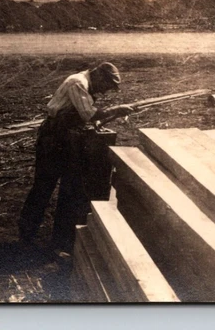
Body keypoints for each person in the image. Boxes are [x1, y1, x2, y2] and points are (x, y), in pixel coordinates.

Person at [18, 62, 135, 252]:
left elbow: (84, 115)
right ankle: (26, 236)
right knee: (43, 186)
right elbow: (88, 113)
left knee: (68, 186)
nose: (104, 92)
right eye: (106, 86)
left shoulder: (85, 84)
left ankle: (57, 238)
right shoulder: (78, 82)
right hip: (53, 139)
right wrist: (117, 109)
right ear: (99, 76)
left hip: (67, 139)